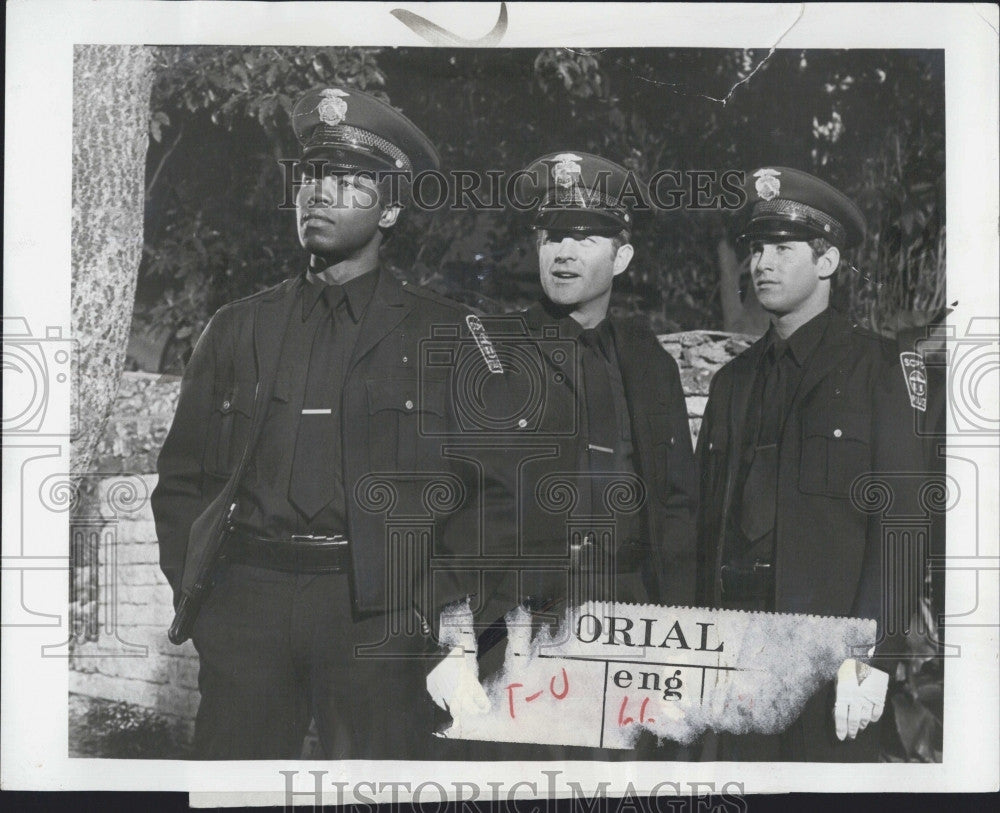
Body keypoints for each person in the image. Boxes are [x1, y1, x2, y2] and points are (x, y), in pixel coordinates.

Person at [152, 86, 492, 760]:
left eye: (347, 180)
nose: (319, 193)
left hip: (376, 617)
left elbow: (486, 493)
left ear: (391, 207)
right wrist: (214, 611)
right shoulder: (238, 327)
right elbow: (182, 482)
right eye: (311, 175)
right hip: (250, 609)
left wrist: (428, 612)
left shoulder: (443, 333)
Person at [434, 152, 698, 759]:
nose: (565, 251)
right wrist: (454, 640)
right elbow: (450, 499)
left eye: (585, 236)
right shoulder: (493, 351)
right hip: (521, 616)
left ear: (622, 257)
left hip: (627, 612)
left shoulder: (649, 364)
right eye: (553, 235)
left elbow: (679, 509)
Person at [695, 166, 931, 761]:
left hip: (831, 665)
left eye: (782, 247)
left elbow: (902, 525)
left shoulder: (881, 371)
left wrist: (871, 658)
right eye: (756, 248)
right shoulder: (732, 383)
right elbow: (704, 527)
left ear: (826, 263)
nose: (762, 263)